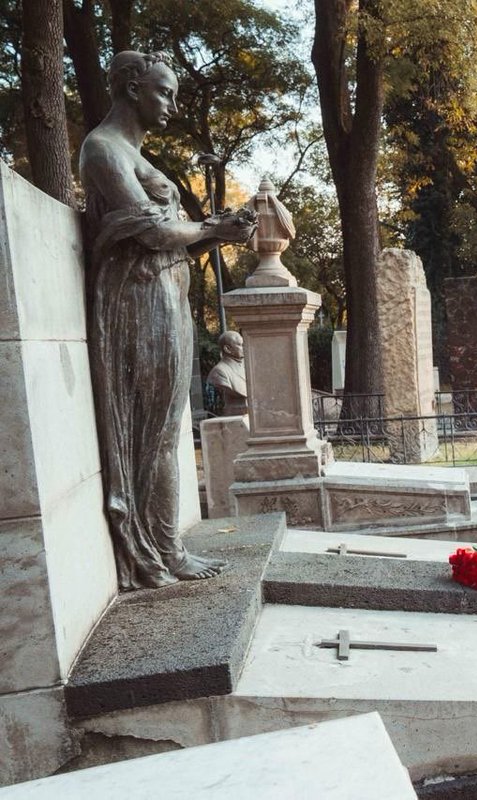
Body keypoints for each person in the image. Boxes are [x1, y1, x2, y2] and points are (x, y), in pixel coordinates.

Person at [80, 51, 256, 590]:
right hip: (139, 298)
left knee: (165, 427)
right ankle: (161, 550)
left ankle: (164, 542)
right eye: (164, 91)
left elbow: (167, 228)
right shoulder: (103, 149)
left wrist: (215, 227)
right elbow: (153, 232)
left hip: (165, 290)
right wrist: (213, 229)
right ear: (132, 89)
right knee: (155, 431)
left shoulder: (134, 152)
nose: (173, 104)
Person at [207, 330, 248, 416]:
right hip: (234, 413)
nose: (245, 347)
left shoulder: (248, 365)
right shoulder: (219, 371)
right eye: (240, 345)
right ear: (227, 349)